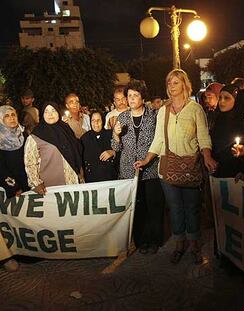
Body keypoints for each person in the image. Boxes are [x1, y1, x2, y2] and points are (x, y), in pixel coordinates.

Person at [134, 69, 217, 265]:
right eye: (169, 83)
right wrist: (147, 160)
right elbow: (158, 139)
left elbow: (203, 136)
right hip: (168, 168)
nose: (171, 87)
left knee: (192, 208)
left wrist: (207, 156)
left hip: (190, 166)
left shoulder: (195, 109)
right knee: (175, 209)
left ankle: (195, 245)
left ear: (184, 85)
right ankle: (180, 245)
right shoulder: (163, 110)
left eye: (175, 83)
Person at [112, 80, 165, 254]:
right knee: (137, 207)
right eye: (129, 96)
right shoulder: (122, 117)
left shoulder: (153, 115)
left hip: (150, 169)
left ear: (143, 97)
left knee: (154, 206)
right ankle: (141, 241)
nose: (132, 99)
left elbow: (159, 141)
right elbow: (116, 148)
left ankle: (155, 240)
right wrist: (116, 135)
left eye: (136, 95)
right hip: (128, 170)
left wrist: (148, 159)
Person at [24, 102, 82, 194]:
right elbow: (30, 162)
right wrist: (36, 183)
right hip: (49, 185)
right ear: (42, 115)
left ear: (58, 113)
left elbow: (76, 151)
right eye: (46, 111)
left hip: (70, 180)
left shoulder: (66, 129)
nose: (50, 114)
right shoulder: (36, 136)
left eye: (53, 110)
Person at [0, 105, 29, 198]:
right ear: (0, 119)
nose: (11, 118)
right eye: (6, 116)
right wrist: (14, 188)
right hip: (10, 184)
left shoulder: (22, 133)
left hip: (27, 180)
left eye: (13, 115)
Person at [211, 85, 244, 178]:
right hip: (217, 170)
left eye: (227, 98)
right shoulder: (217, 119)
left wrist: (242, 151)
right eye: (220, 98)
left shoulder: (243, 122)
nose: (222, 101)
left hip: (236, 173)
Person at [81, 110, 117, 182]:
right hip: (92, 179)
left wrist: (113, 152)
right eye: (93, 120)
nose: (96, 123)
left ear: (103, 121)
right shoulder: (84, 138)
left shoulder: (111, 134)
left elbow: (122, 151)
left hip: (110, 178)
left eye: (98, 120)